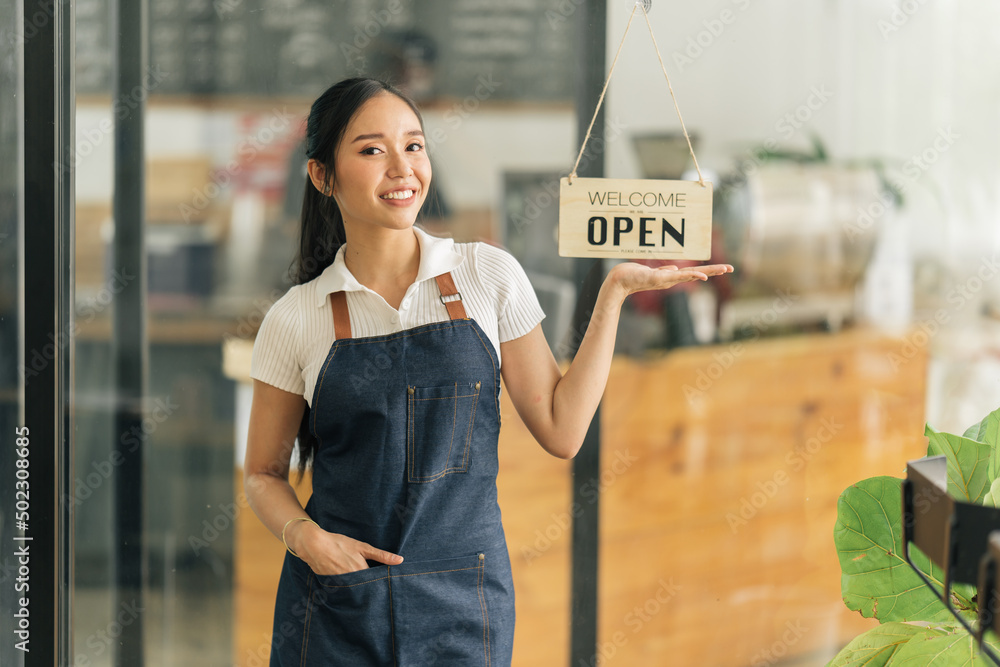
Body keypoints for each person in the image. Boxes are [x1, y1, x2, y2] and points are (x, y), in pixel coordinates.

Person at [244, 77, 732, 666]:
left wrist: (614, 293)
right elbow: (263, 474)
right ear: (323, 176)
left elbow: (561, 429)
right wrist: (306, 540)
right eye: (372, 150)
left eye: (415, 146)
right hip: (336, 603)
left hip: (464, 601)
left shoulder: (487, 275)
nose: (402, 168)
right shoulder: (296, 317)